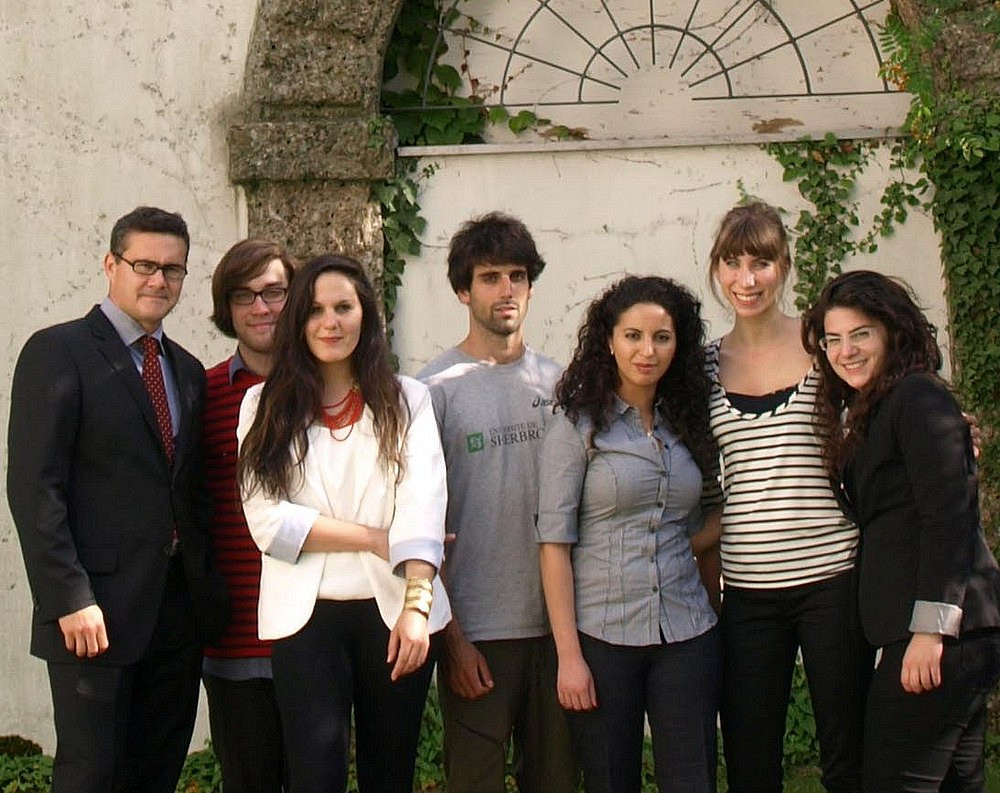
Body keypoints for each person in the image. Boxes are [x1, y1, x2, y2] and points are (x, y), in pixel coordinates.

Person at [6, 206, 229, 793]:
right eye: (144, 265)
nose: (159, 280)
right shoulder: (58, 352)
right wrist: (68, 598)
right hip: (93, 615)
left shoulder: (185, 371)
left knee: (155, 772)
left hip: (175, 615)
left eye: (173, 270)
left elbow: (188, 489)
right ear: (111, 265)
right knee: (91, 775)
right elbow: (35, 487)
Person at [237, 254, 451, 793]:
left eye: (343, 307)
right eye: (314, 310)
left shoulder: (408, 400)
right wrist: (379, 538)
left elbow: (423, 505)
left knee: (391, 772)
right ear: (297, 322)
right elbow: (268, 524)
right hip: (303, 620)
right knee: (314, 775)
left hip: (396, 611)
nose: (329, 322)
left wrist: (417, 609)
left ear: (366, 315)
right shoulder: (262, 405)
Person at [804, 270, 1000, 793]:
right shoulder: (875, 406)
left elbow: (949, 517)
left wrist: (930, 630)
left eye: (860, 334)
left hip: (938, 634)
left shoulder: (916, 397)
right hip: (933, 633)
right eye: (833, 340)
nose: (846, 351)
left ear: (892, 331)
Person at [705, 202, 873, 793]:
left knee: (847, 756)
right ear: (716, 270)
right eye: (732, 263)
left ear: (784, 267)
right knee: (751, 764)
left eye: (761, 263)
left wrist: (949, 426)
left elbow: (886, 407)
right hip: (747, 590)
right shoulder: (703, 366)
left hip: (833, 577)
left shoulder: (822, 346)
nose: (746, 280)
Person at [537, 275, 723, 793]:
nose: (647, 350)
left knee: (693, 781)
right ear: (609, 341)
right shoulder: (576, 426)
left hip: (686, 631)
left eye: (661, 337)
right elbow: (553, 545)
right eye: (633, 336)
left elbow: (694, 524)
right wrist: (569, 657)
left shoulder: (687, 422)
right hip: (603, 638)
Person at [416, 211, 575, 793]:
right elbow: (419, 527)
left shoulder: (562, 385)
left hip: (559, 628)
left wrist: (573, 639)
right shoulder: (432, 392)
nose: (505, 290)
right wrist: (451, 639)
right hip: (477, 632)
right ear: (463, 289)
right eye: (489, 277)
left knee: (556, 779)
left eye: (517, 276)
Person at [202, 238, 296, 793]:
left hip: (316, 634)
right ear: (227, 307)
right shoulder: (203, 391)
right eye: (244, 295)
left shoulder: (329, 389)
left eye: (275, 292)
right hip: (235, 638)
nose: (260, 307)